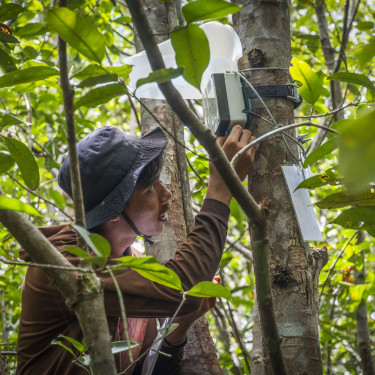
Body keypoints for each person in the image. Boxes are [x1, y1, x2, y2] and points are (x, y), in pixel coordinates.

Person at [16, 124, 256, 375]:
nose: (167, 194)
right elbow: (183, 286)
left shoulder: (133, 264)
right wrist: (220, 189)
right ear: (111, 212)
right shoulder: (61, 267)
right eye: (150, 188)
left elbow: (145, 370)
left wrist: (178, 327)